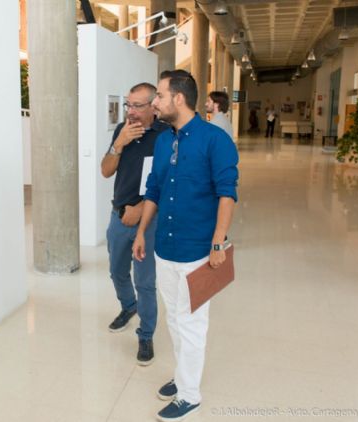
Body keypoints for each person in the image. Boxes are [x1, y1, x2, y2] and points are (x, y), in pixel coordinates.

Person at [132, 70, 239, 421]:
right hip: (165, 248)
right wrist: (141, 232)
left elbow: (227, 194)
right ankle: (183, 378)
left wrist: (218, 243)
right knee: (176, 322)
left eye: (159, 96)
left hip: (198, 252)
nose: (155, 103)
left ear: (178, 98)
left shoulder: (215, 140)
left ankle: (190, 395)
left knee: (192, 323)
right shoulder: (163, 140)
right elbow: (154, 190)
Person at [101, 82, 170, 366]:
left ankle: (146, 335)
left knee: (145, 281)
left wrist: (140, 210)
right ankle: (128, 307)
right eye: (128, 105)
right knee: (117, 271)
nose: (130, 111)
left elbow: (170, 185)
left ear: (154, 107)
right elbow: (106, 171)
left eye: (137, 106)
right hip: (119, 217)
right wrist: (119, 144)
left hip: (149, 222)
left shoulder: (166, 136)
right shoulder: (121, 130)